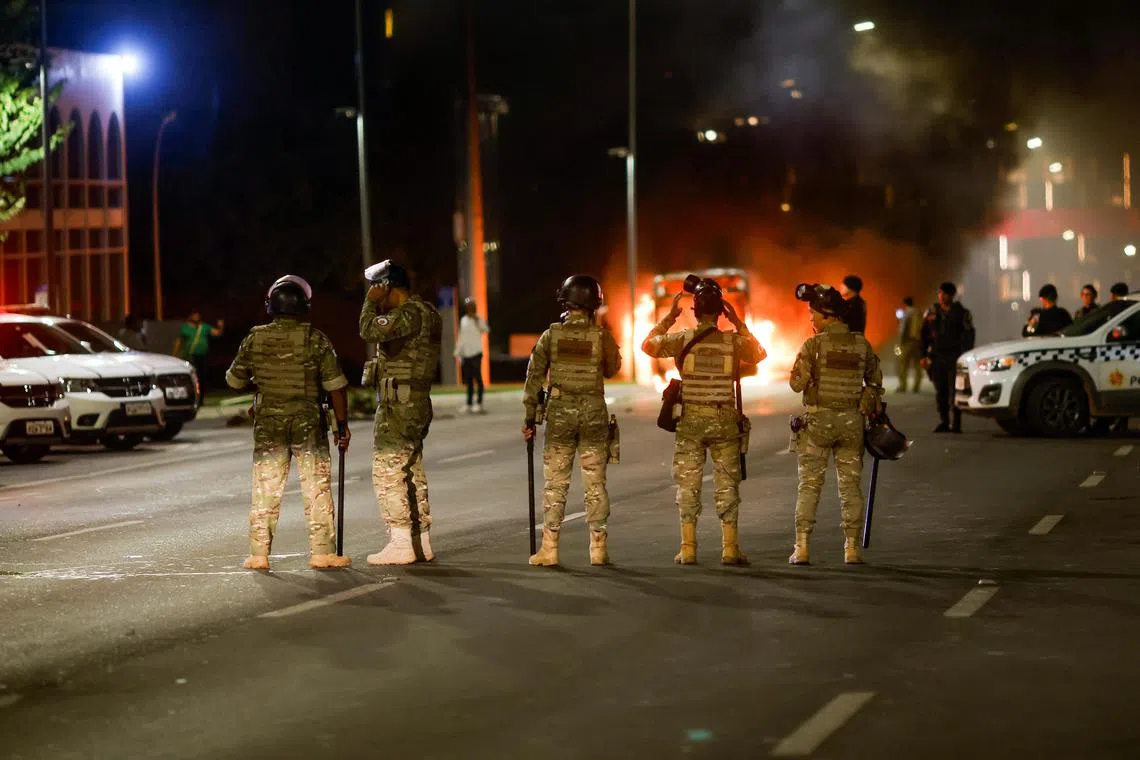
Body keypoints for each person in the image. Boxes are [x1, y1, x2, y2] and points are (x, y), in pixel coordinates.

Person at [225, 275, 351, 571]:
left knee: (265, 487)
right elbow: (335, 387)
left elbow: (234, 380)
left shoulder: (254, 338)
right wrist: (340, 426)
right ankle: (322, 553)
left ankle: (258, 554)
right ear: (303, 307)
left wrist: (263, 384)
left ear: (271, 307)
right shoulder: (316, 339)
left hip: (268, 423)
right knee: (316, 487)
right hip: (308, 423)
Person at [642, 277, 766, 565]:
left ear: (694, 311)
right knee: (727, 485)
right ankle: (730, 549)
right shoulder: (733, 341)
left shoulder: (683, 338)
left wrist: (670, 316)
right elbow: (759, 354)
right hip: (724, 421)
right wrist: (738, 321)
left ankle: (688, 549)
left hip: (691, 422)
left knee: (688, 484)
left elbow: (648, 345)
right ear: (720, 311)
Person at [523, 275, 622, 567]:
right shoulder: (601, 336)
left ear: (566, 302)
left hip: (560, 413)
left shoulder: (551, 335)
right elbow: (613, 369)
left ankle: (550, 550)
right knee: (595, 482)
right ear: (594, 305)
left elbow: (533, 379)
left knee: (556, 482)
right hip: (593, 412)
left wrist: (530, 417)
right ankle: (598, 549)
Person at [788, 284, 883, 565]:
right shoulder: (861, 344)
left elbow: (795, 384)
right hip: (852, 424)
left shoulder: (813, 345)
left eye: (813, 315)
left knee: (809, 486)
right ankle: (851, 549)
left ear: (827, 316)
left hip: (818, 424)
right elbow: (875, 383)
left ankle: (802, 548)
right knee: (851, 487)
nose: (811, 320)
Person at [359, 260, 443, 565]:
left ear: (386, 286)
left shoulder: (408, 314)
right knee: (411, 472)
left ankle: (400, 541)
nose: (372, 292)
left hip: (400, 405)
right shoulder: (427, 312)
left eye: (375, 287)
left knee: (388, 472)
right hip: (416, 401)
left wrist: (369, 305)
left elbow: (368, 330)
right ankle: (420, 541)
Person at [921, 282, 975, 433]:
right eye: (939, 293)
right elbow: (923, 334)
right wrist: (923, 355)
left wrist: (965, 354)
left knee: (955, 391)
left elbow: (968, 334)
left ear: (951, 295)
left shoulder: (962, 313)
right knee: (941, 391)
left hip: (955, 357)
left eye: (944, 293)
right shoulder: (932, 312)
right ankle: (944, 421)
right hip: (937, 357)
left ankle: (956, 423)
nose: (940, 296)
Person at [173, 309, 224, 391]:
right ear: (190, 316)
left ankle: (201, 394)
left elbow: (217, 333)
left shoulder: (204, 327)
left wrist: (221, 326)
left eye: (197, 315)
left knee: (202, 375)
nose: (196, 317)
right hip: (191, 356)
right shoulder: (185, 327)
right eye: (194, 315)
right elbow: (179, 342)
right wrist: (175, 354)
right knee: (194, 375)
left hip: (203, 355)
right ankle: (193, 392)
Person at [455, 297, 490, 414]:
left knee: (478, 379)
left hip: (476, 353)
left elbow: (486, 329)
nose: (469, 308)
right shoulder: (463, 320)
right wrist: (457, 352)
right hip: (466, 354)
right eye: (468, 307)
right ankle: (469, 404)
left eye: (471, 306)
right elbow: (461, 337)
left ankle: (479, 403)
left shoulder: (478, 319)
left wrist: (477, 320)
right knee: (468, 381)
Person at [896, 296, 923, 393]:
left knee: (902, 364)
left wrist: (899, 343)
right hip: (918, 342)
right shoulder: (919, 312)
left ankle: (903, 386)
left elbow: (903, 330)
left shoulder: (906, 313)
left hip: (907, 342)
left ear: (905, 304)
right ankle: (917, 386)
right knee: (917, 365)